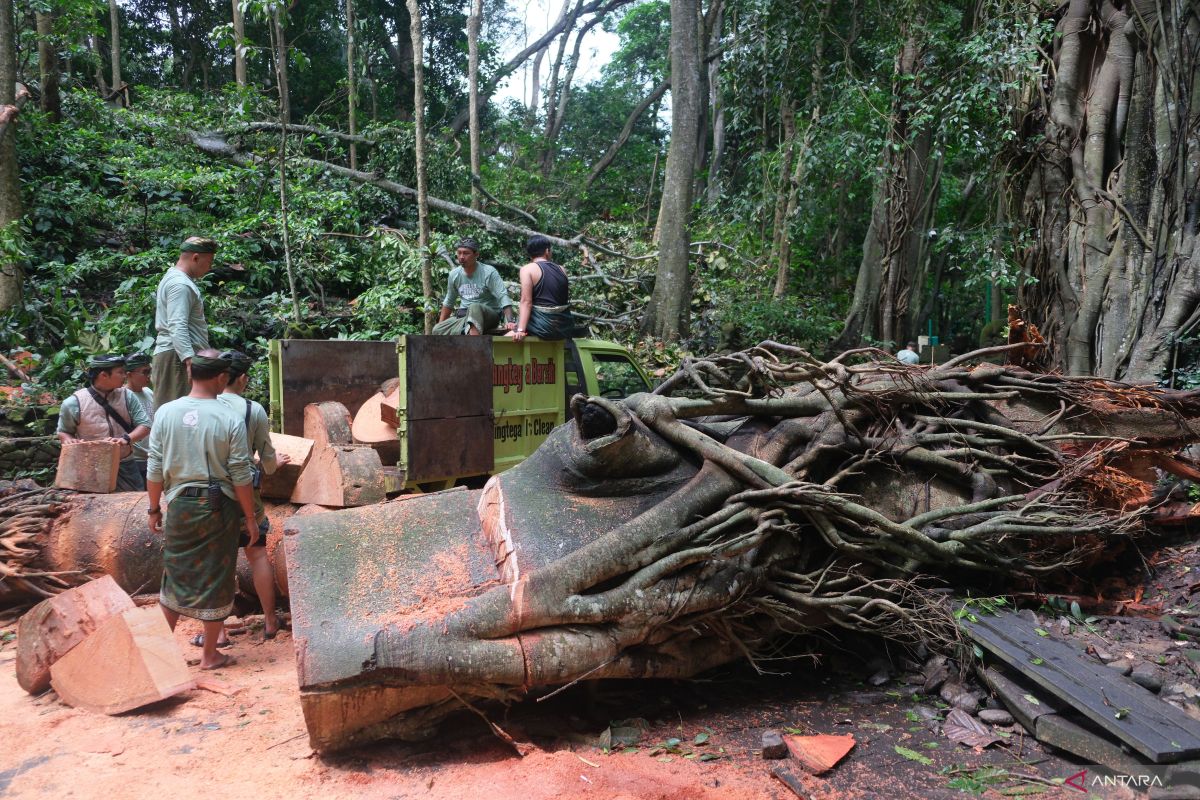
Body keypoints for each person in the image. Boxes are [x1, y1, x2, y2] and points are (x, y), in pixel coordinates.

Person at [146, 349, 259, 671]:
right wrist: (250, 518)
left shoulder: (166, 412)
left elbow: (154, 467)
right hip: (217, 505)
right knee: (216, 575)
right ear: (222, 378)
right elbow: (240, 474)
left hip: (179, 503)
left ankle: (160, 657)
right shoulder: (228, 417)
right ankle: (210, 655)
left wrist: (154, 508)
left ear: (190, 374)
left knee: (175, 575)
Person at [206, 350, 291, 645]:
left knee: (216, 562)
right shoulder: (253, 410)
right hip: (246, 496)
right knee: (256, 555)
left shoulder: (202, 406)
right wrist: (273, 463)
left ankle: (215, 635)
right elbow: (267, 460)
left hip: (208, 496)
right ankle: (269, 621)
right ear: (242, 378)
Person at [56, 354, 152, 491]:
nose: (125, 376)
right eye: (120, 372)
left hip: (126, 464)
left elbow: (145, 425)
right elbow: (64, 431)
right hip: (91, 467)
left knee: (135, 503)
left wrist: (126, 439)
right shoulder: (73, 403)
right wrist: (69, 440)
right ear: (104, 375)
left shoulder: (127, 396)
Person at [152, 236, 217, 406]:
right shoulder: (180, 284)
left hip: (177, 355)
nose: (209, 268)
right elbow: (177, 324)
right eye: (209, 262)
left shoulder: (175, 279)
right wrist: (189, 359)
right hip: (177, 358)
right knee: (178, 415)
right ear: (196, 257)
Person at [432, 237, 516, 335]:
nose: (461, 257)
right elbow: (449, 301)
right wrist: (441, 324)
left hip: (489, 316)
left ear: (476, 254)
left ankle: (474, 347)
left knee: (474, 307)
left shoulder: (488, 272)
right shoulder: (454, 274)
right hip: (464, 317)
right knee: (437, 330)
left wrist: (510, 321)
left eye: (466, 253)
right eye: (459, 253)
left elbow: (503, 296)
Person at [508, 235, 577, 342]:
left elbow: (526, 301)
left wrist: (520, 330)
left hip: (543, 326)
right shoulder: (562, 269)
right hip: (564, 326)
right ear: (547, 251)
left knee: (499, 342)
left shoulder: (527, 269)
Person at [125, 352, 155, 483]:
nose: (149, 376)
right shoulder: (123, 397)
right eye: (145, 372)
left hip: (153, 456)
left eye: (150, 371)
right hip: (136, 458)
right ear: (129, 375)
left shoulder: (149, 392)